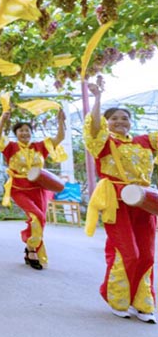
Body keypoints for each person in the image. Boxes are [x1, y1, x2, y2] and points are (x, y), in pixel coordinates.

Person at [84, 75, 158, 322]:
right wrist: (97, 98)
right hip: (116, 201)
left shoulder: (145, 142)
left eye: (124, 118)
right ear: (107, 123)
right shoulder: (102, 142)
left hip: (144, 201)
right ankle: (117, 298)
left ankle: (142, 303)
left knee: (146, 255)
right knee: (128, 252)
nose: (119, 122)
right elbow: (93, 127)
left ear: (130, 122)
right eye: (114, 118)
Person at [0, 106, 66, 270]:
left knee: (40, 220)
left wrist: (61, 121)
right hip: (19, 190)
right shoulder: (10, 147)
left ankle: (31, 249)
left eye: (27, 130)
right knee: (36, 216)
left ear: (31, 133)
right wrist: (2, 120)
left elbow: (60, 137)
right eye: (21, 131)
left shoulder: (40, 147)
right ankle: (32, 247)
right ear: (16, 134)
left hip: (39, 190)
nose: (24, 133)